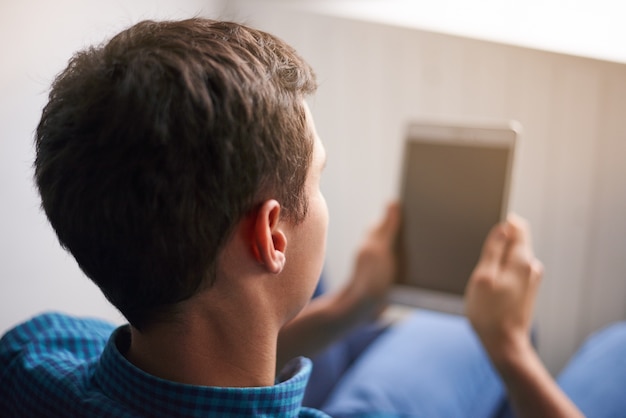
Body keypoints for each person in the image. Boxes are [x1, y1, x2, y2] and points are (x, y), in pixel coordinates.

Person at [1, 17, 625, 418]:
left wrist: (355, 300)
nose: (321, 195)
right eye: (318, 179)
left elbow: (203, 365)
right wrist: (510, 349)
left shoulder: (29, 353)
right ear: (271, 234)